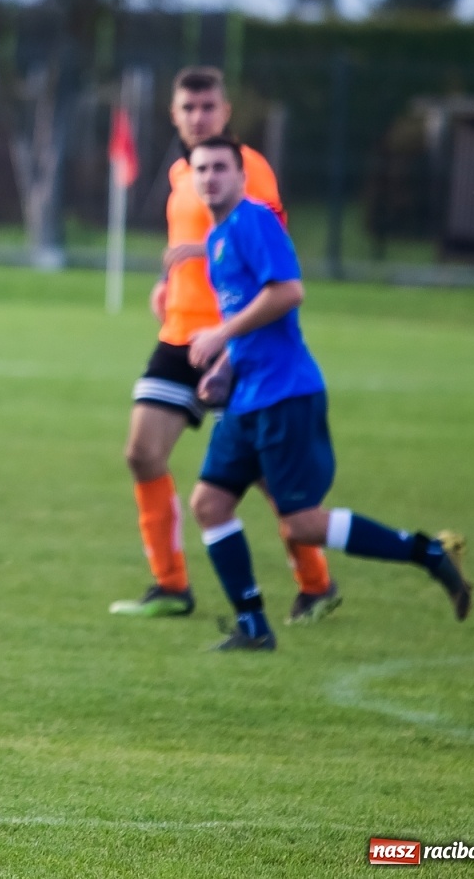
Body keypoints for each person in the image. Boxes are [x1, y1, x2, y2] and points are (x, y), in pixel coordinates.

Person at [181, 136, 471, 651]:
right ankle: (253, 626)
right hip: (248, 398)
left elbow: (289, 291)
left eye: (220, 167)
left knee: (302, 526)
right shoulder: (218, 239)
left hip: (286, 395)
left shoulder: (254, 221)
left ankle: (426, 554)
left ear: (240, 175)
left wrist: (221, 336)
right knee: (208, 503)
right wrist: (224, 367)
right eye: (201, 168)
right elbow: (248, 323)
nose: (209, 177)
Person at [112, 66, 340, 625]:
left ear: (225, 111)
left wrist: (198, 251)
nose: (198, 118)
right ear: (173, 114)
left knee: (264, 476)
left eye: (208, 108)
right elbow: (189, 249)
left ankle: (316, 585)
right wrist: (168, 283)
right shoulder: (178, 172)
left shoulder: (248, 169)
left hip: (232, 345)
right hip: (179, 337)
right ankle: (170, 585)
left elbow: (265, 240)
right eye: (188, 109)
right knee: (142, 453)